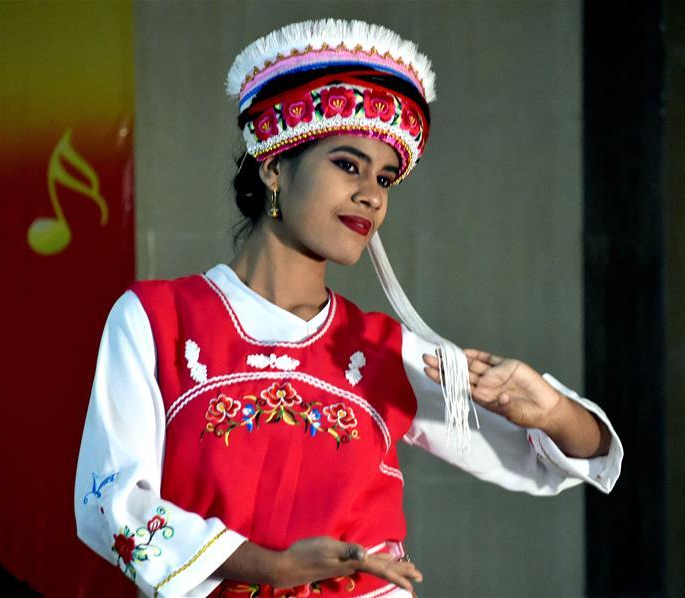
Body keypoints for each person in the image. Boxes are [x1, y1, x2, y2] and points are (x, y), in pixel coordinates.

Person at [75, 19, 623, 598]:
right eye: (347, 165)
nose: (373, 195)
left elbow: (552, 459)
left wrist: (553, 413)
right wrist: (276, 566)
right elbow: (113, 505)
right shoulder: (156, 321)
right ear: (274, 167)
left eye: (385, 177)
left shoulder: (383, 352)